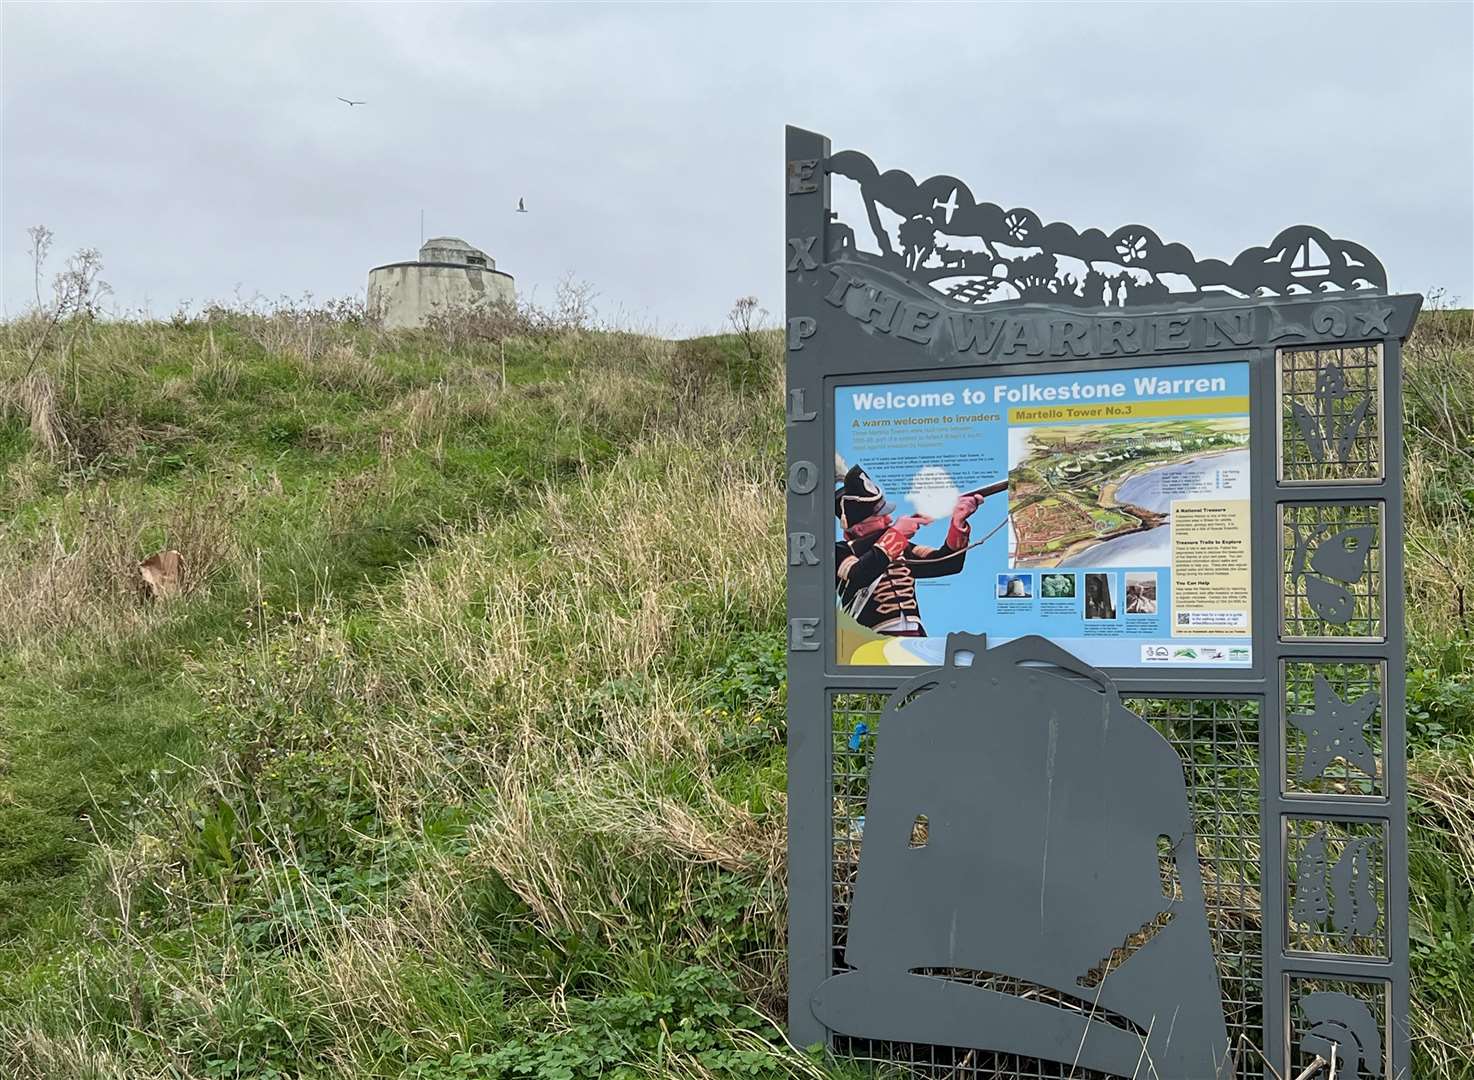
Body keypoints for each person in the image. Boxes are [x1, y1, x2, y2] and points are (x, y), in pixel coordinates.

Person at [835, 465, 983, 636]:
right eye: (880, 516)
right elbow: (859, 574)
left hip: (916, 638)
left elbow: (948, 564)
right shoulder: (840, 552)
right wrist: (896, 535)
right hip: (871, 641)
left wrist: (957, 522)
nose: (888, 518)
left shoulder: (900, 546)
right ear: (859, 529)